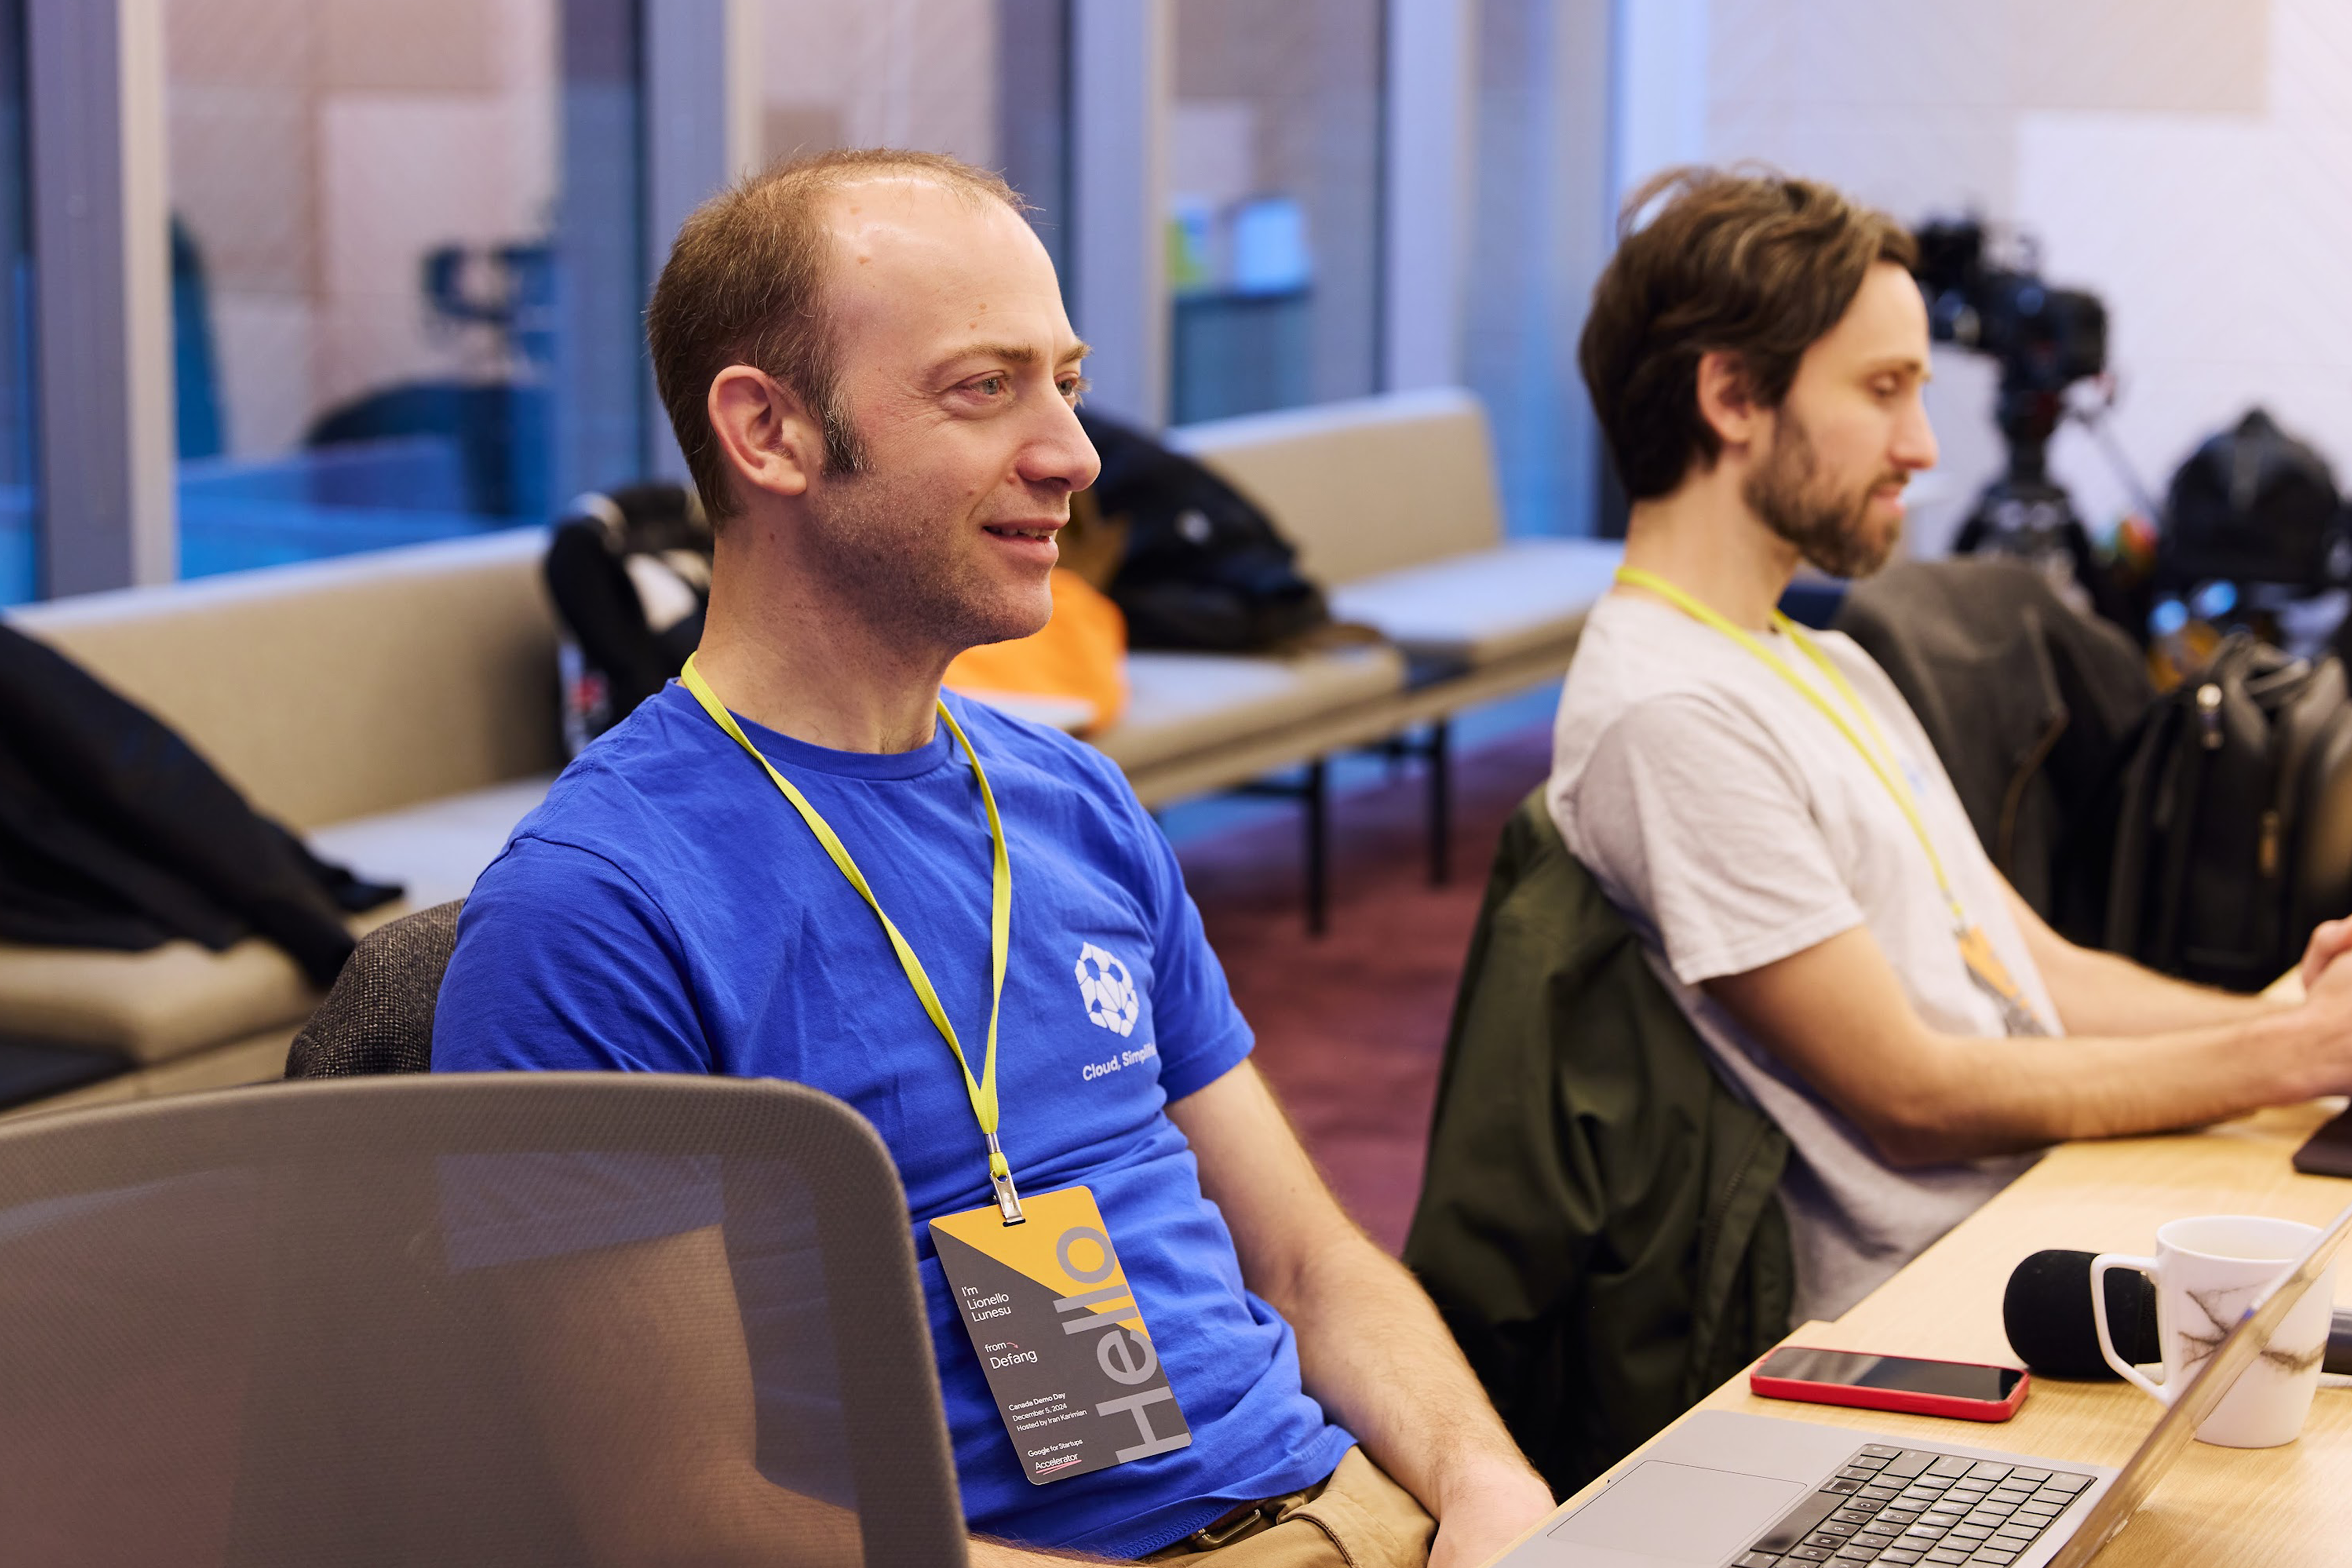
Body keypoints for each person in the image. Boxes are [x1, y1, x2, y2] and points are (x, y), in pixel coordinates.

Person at [432, 148, 1553, 1567]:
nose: (1074, 454)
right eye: (985, 388)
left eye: (1065, 383)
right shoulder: (594, 913)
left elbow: (1307, 1262)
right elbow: (688, 1520)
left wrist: (1490, 1491)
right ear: (769, 433)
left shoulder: (1071, 798)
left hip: (1358, 1512)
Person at [1550, 166, 2352, 1326]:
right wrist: (2292, 1057)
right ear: (1730, 396)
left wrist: (2290, 1022)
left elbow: (2040, 976)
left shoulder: (1820, 661)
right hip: (1946, 1301)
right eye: (1883, 390)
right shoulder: (1666, 716)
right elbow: (1913, 1095)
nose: (1923, 448)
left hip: (2053, 1210)